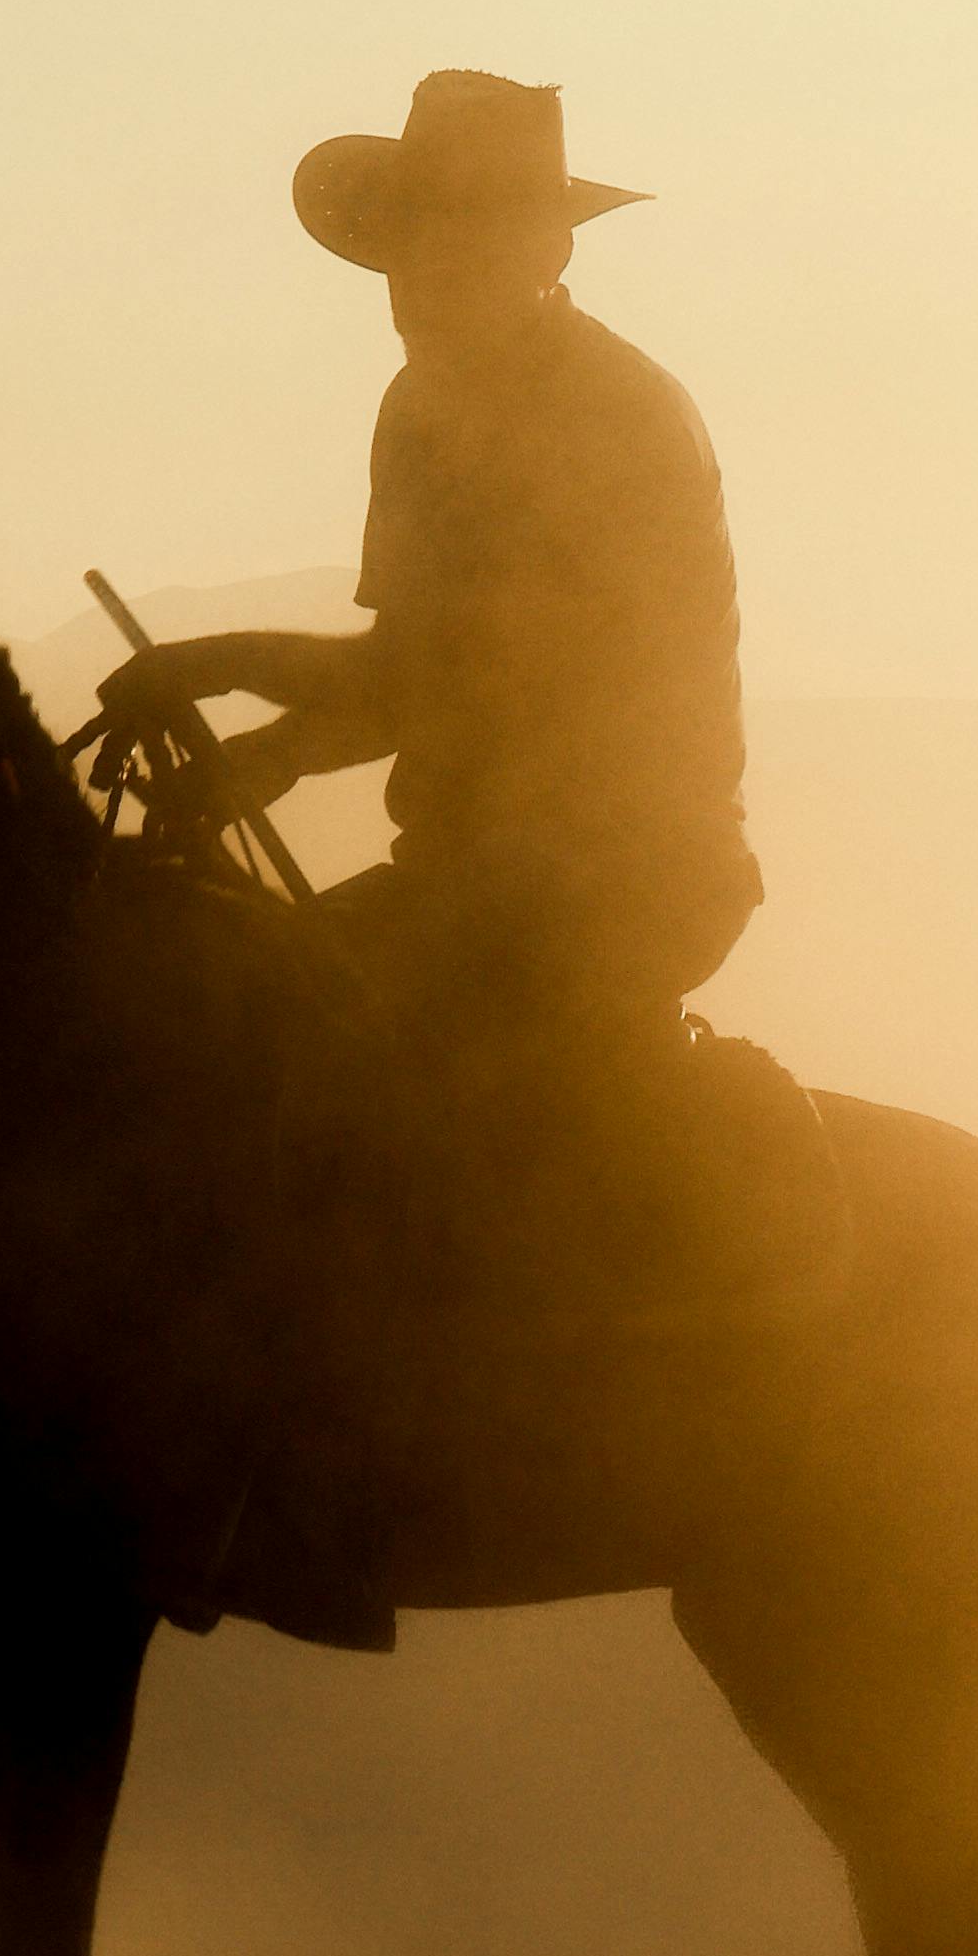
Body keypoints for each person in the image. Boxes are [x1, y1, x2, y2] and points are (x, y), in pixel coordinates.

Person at [98, 70, 768, 1294]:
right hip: (475, 877)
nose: (418, 274)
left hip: (617, 881)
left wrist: (231, 699)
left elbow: (449, 681)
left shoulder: (612, 414)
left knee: (362, 1114)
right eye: (408, 242)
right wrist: (240, 729)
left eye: (453, 239)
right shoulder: (421, 410)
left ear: (540, 251)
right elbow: (410, 676)